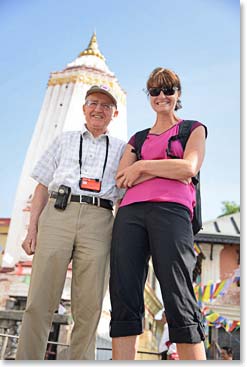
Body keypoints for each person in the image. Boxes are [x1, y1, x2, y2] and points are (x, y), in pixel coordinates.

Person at [16, 85, 126, 360]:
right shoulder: (64, 139)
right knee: (39, 300)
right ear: (84, 108)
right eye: (93, 103)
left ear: (115, 113)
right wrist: (32, 229)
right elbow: (42, 185)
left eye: (106, 106)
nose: (99, 109)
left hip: (100, 219)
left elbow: (124, 198)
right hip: (58, 212)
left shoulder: (123, 148)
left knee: (89, 306)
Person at [109, 67, 207, 360]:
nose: (161, 95)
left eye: (168, 89)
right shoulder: (138, 138)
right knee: (124, 294)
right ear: (149, 96)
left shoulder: (193, 129)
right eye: (155, 90)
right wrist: (165, 167)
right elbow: (121, 178)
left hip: (172, 212)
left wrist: (142, 167)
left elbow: (189, 167)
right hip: (130, 215)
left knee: (178, 295)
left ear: (178, 95)